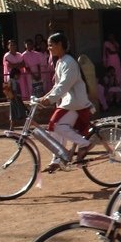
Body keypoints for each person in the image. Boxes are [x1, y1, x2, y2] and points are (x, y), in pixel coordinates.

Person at [38, 32, 94, 173]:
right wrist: (42, 98)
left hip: (75, 103)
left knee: (55, 125)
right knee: (55, 129)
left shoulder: (69, 62)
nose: (49, 48)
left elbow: (64, 85)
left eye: (51, 45)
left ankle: (84, 144)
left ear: (59, 45)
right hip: (68, 102)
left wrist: (49, 99)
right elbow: (57, 86)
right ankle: (58, 159)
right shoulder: (61, 62)